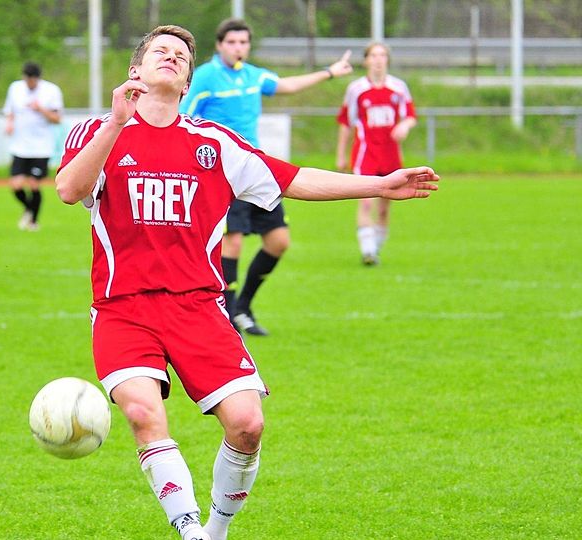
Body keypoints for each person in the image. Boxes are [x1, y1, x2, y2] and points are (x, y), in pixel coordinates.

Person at [55, 25, 437, 540]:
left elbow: (294, 178)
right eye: (159, 52)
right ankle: (190, 532)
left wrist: (378, 185)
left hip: (199, 307)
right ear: (135, 70)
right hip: (124, 308)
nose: (171, 58)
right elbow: (68, 189)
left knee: (247, 424)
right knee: (144, 415)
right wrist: (116, 123)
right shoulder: (97, 130)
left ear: (188, 80)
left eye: (181, 57)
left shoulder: (213, 144)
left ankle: (215, 530)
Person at [180, 18, 352, 336]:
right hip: (221, 172)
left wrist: (329, 72)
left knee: (278, 241)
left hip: (255, 169)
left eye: (243, 42)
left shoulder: (253, 75)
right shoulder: (205, 77)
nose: (238, 48)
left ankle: (243, 307)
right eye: (232, 42)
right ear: (220, 45)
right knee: (232, 242)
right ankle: (228, 316)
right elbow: (182, 118)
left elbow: (286, 85)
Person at [336, 42, 417, 265]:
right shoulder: (356, 89)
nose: (378, 59)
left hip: (390, 154)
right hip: (366, 153)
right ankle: (368, 251)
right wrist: (341, 154)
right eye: (373, 55)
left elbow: (410, 115)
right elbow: (346, 123)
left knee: (384, 206)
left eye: (382, 55)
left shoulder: (399, 87)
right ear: (366, 60)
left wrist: (405, 126)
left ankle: (376, 246)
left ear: (387, 60)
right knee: (366, 201)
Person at [3, 61, 64, 231]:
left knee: (34, 184)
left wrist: (41, 109)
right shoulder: (15, 88)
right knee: (15, 185)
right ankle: (29, 209)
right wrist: (9, 123)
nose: (30, 83)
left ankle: (33, 222)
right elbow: (9, 111)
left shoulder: (51, 91)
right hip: (20, 146)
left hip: (41, 146)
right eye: (27, 80)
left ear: (38, 79)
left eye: (33, 80)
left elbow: (57, 118)